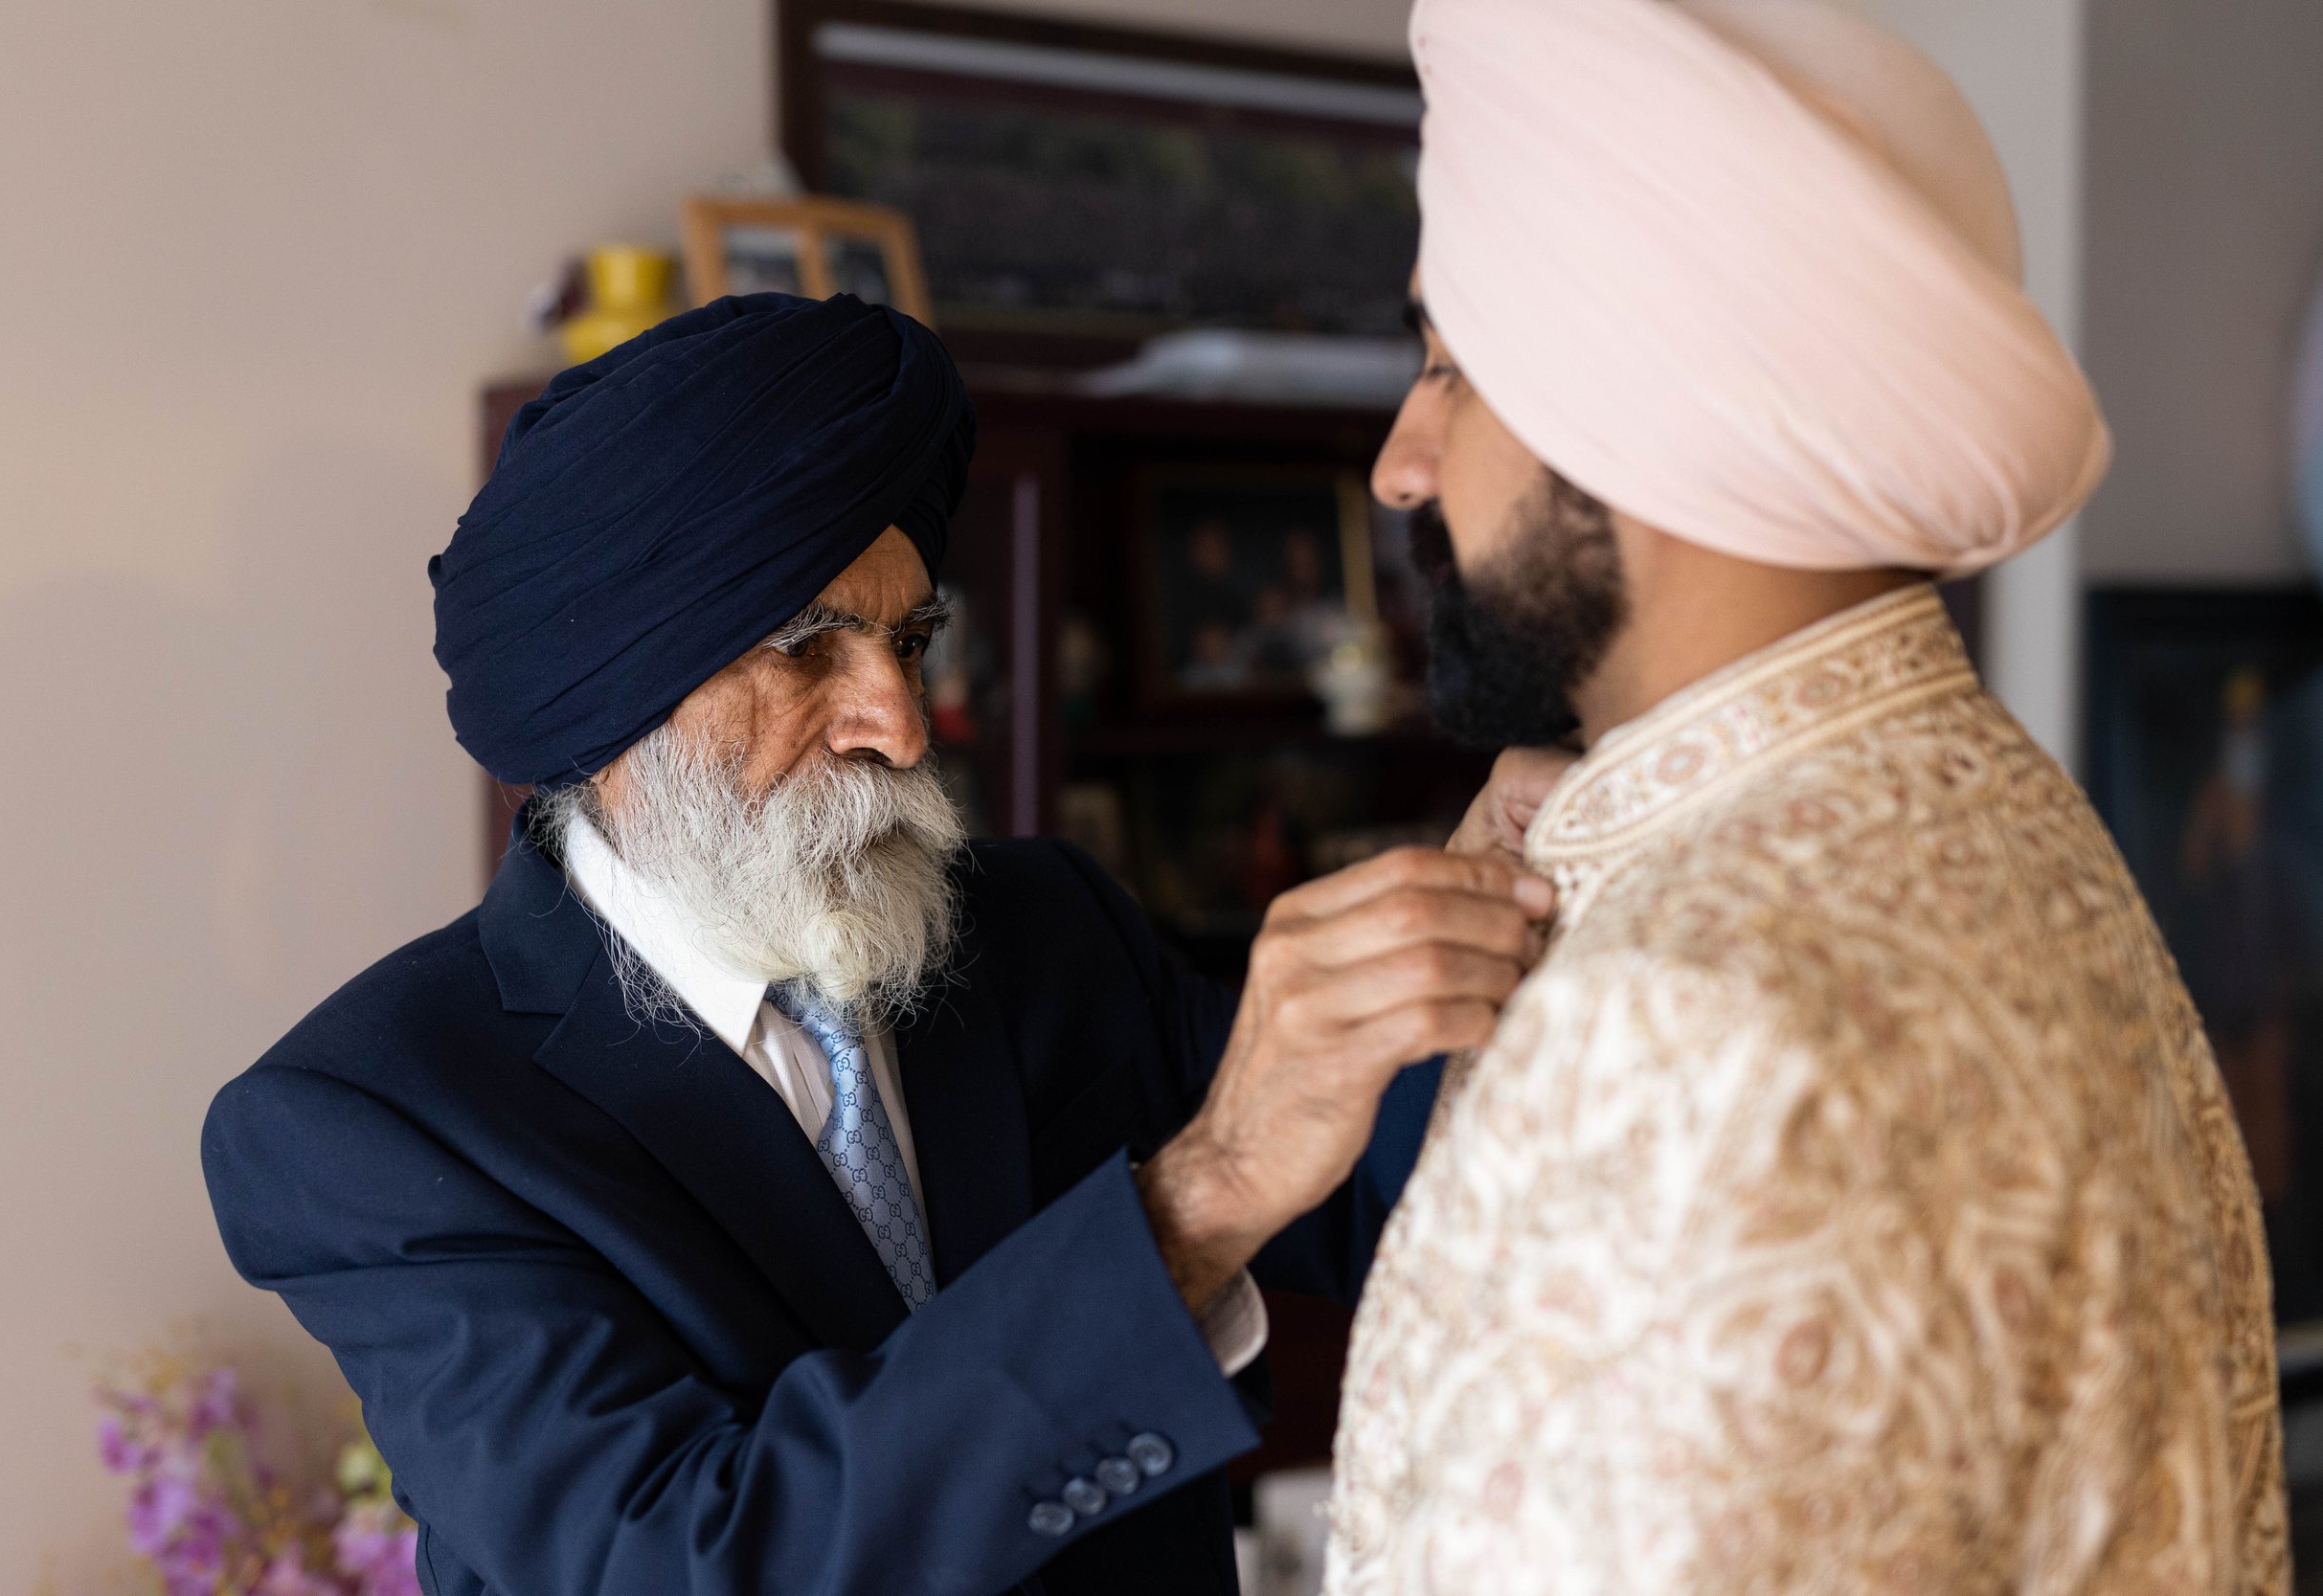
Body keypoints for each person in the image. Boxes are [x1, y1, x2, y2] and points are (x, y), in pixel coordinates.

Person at [200, 290, 1561, 1596]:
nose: (901, 725)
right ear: (610, 700)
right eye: (809, 652)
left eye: (911, 643)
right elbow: (692, 1563)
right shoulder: (377, 1123)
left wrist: (1515, 898)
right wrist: (1195, 1201)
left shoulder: (1042, 929)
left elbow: (1411, 1200)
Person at [1324, 3, 2288, 1593]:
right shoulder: (2013, 820)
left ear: (1636, 398)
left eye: (1452, 368)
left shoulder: (1689, 1031)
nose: (1403, 463)